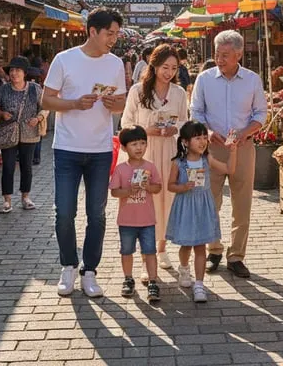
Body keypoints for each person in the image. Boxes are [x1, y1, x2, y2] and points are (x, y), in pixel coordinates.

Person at [42, 8, 127, 298]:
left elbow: (122, 105)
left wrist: (112, 103)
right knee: (64, 212)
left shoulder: (115, 63)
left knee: (97, 214)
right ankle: (68, 265)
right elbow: (47, 100)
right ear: (93, 31)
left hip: (101, 149)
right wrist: (75, 104)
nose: (113, 39)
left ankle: (90, 271)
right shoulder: (64, 59)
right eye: (110, 33)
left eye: (116, 34)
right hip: (67, 147)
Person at [190, 30, 268, 278]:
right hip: (210, 147)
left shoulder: (252, 80)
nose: (219, 59)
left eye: (225, 55)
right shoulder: (204, 79)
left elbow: (260, 115)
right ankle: (214, 250)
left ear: (239, 54)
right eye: (217, 54)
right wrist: (208, 131)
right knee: (209, 202)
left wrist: (245, 133)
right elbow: (196, 111)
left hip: (242, 148)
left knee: (242, 203)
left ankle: (236, 256)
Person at [120, 44, 188, 277]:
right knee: (143, 201)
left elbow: (185, 123)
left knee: (167, 202)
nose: (168, 72)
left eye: (173, 68)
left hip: (169, 151)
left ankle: (161, 249)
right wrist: (145, 130)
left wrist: (174, 129)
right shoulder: (138, 91)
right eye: (164, 67)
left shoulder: (178, 93)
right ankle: (144, 256)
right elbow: (126, 123)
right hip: (144, 154)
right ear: (154, 66)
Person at [166, 120, 237, 303]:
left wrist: (233, 151)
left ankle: (199, 284)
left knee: (200, 247)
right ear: (185, 141)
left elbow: (230, 169)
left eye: (205, 137)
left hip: (203, 207)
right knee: (186, 245)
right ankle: (183, 269)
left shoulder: (207, 159)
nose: (203, 141)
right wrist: (183, 187)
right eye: (197, 137)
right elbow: (170, 186)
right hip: (186, 206)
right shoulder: (178, 163)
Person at [109, 126, 163, 302]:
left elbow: (158, 187)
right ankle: (128, 279)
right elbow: (114, 192)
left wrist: (148, 187)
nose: (139, 147)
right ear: (124, 147)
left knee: (150, 251)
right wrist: (128, 191)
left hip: (147, 220)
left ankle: (153, 281)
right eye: (134, 144)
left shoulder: (150, 167)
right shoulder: (121, 169)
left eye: (142, 143)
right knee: (126, 251)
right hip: (126, 221)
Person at [0, 56, 47, 213]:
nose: (14, 73)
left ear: (25, 73)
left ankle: (25, 197)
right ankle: (7, 200)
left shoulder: (35, 89)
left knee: (26, 166)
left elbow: (45, 107)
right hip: (8, 132)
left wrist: (38, 118)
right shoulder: (4, 89)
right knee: (8, 166)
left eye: (18, 70)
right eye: (12, 70)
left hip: (30, 133)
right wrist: (1, 113)